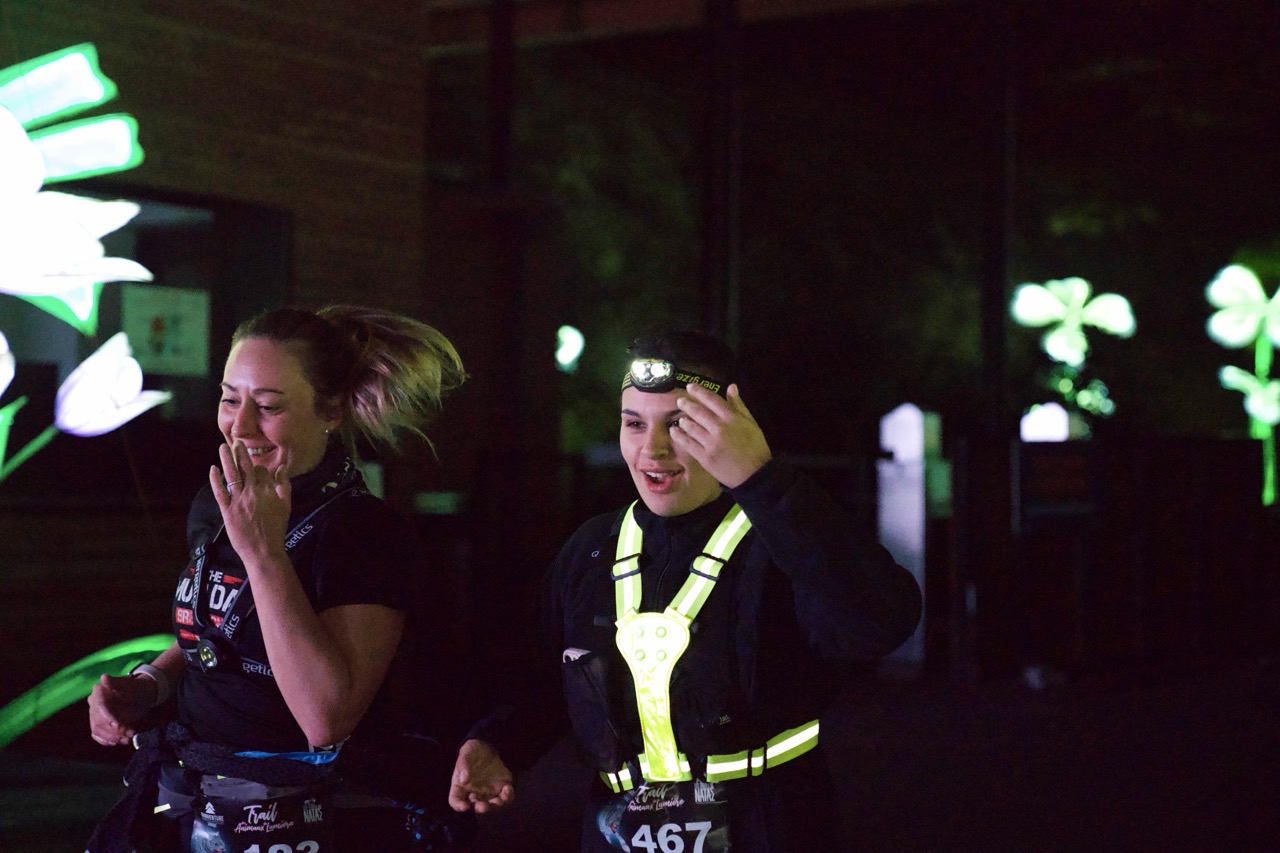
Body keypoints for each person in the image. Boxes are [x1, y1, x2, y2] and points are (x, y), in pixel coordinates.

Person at [86, 305, 514, 852]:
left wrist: (265, 555)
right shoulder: (218, 503)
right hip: (192, 797)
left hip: (307, 815)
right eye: (230, 399)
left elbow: (325, 719)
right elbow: (223, 633)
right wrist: (150, 684)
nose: (241, 426)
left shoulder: (363, 531)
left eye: (268, 406)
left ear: (330, 410)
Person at [540, 330, 921, 852]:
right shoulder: (591, 548)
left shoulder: (783, 538)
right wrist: (493, 743)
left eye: (680, 424)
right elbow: (536, 678)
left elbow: (882, 621)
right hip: (617, 832)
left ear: (732, 426)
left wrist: (761, 480)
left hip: (766, 824)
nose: (652, 448)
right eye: (634, 423)